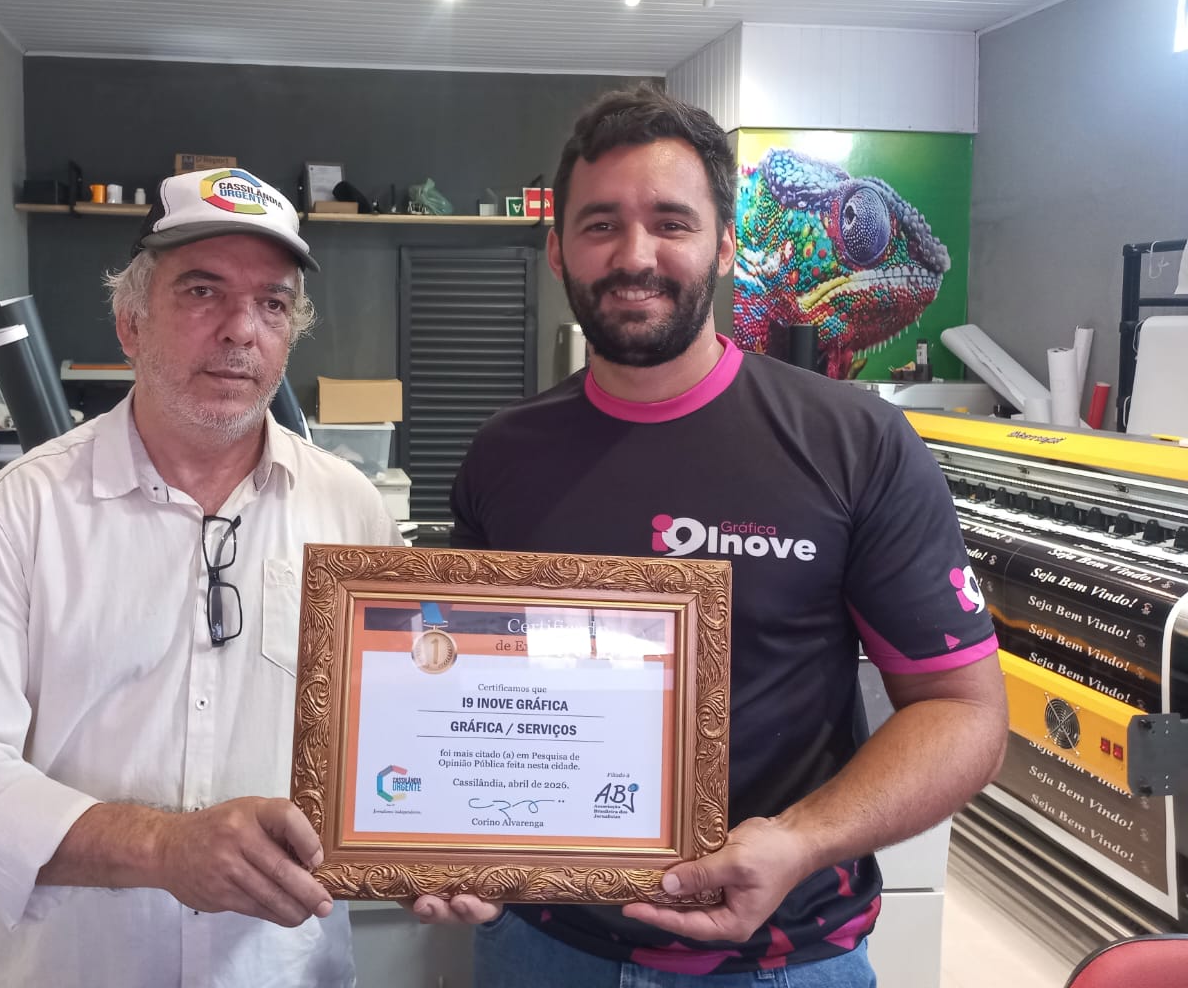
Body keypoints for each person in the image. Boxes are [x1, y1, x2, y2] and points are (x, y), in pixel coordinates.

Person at [411, 86, 1007, 986]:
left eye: (672, 222)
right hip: (542, 948)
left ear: (726, 244)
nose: (634, 255)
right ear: (557, 248)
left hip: (782, 961)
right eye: (600, 224)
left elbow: (964, 713)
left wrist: (802, 840)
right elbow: (460, 687)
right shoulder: (504, 454)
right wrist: (434, 829)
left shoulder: (855, 443)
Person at [0, 168, 401, 987]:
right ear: (130, 324)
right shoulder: (22, 511)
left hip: (281, 971)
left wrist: (460, 844)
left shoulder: (351, 511)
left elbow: (395, 740)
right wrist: (163, 848)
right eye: (202, 292)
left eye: (272, 303)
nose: (241, 330)